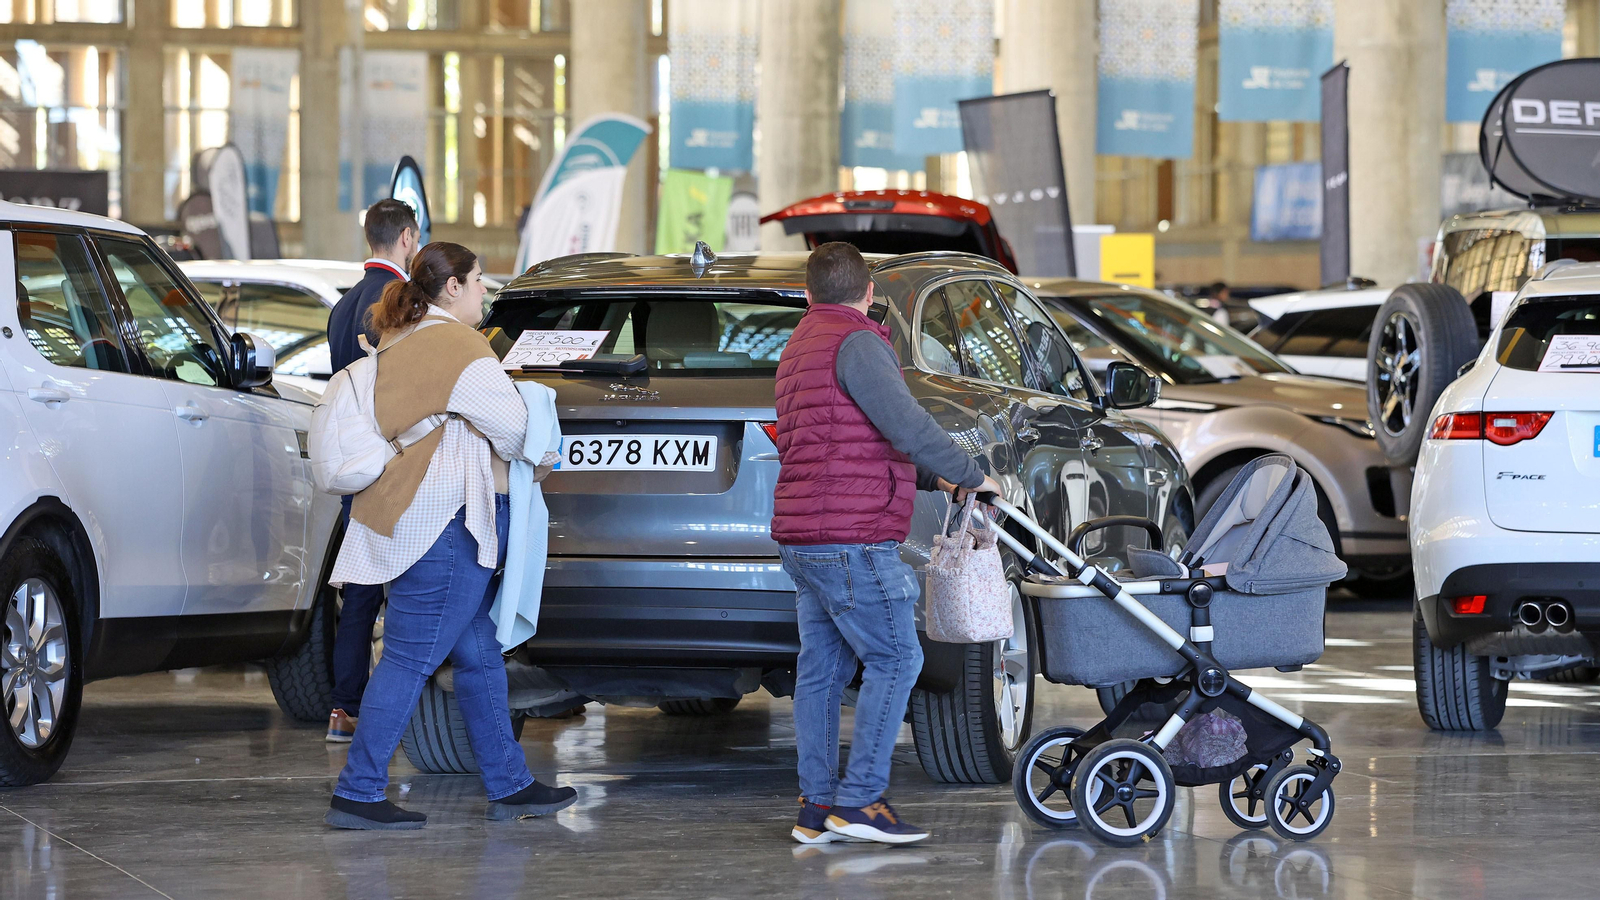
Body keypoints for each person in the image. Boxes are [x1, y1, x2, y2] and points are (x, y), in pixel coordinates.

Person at [324, 241, 577, 830]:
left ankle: (509, 783)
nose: (487, 289)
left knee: (479, 653)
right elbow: (519, 436)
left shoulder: (403, 336)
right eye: (481, 279)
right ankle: (358, 791)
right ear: (454, 287)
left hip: (407, 517)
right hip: (446, 524)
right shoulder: (461, 347)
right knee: (409, 659)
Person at [772, 242, 1000, 846]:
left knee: (820, 671)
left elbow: (852, 443)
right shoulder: (860, 342)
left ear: (807, 292)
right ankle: (863, 801)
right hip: (852, 537)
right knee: (898, 658)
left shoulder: (799, 346)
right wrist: (973, 474)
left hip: (806, 536)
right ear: (870, 292)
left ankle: (816, 807)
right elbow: (905, 424)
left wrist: (935, 476)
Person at [322, 199, 421, 743]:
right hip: (396, 462)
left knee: (358, 590)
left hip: (353, 466)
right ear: (407, 237)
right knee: (408, 586)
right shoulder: (400, 301)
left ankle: (344, 708)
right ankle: (401, 710)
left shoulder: (340, 307)